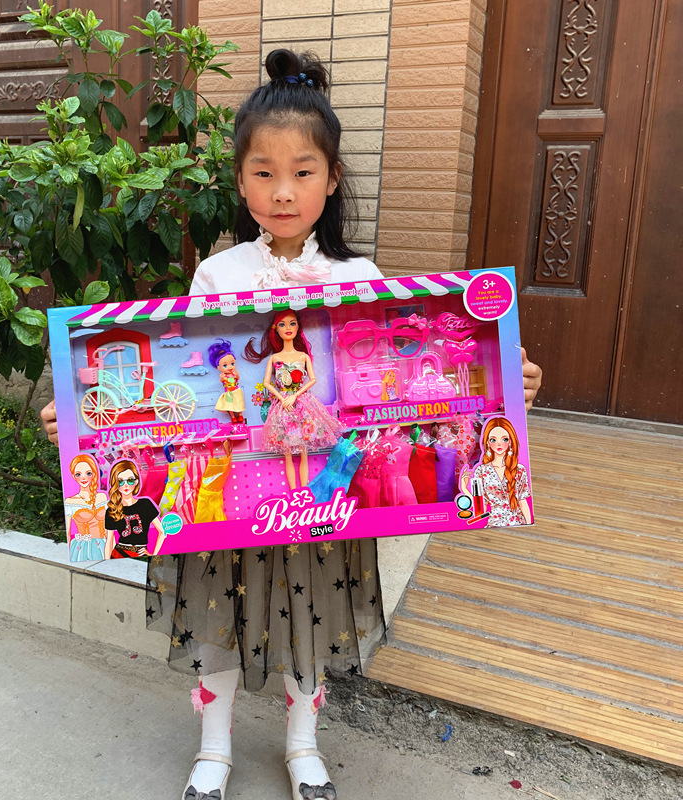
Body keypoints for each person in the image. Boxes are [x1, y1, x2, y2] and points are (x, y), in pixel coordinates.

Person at [39, 48, 544, 800]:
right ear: (240, 181)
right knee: (216, 609)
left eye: (303, 171)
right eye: (264, 173)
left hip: (321, 501)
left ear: (332, 178)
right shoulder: (217, 277)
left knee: (313, 611)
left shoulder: (359, 279)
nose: (283, 191)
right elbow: (185, 381)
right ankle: (214, 750)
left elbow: (414, 377)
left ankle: (303, 745)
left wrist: (509, 385)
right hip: (238, 487)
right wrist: (81, 422)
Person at [244, 309, 344, 488]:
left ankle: (303, 491)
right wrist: (282, 399)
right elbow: (267, 383)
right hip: (284, 405)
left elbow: (312, 379)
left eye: (292, 323)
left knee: (304, 450)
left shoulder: (303, 356)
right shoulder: (275, 358)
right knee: (287, 453)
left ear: (298, 326)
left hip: (302, 404)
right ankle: (293, 493)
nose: (288, 328)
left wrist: (295, 395)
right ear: (276, 329)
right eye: (282, 324)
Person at [463, 416, 532, 526]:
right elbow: (480, 509)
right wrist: (464, 489)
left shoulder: (519, 469)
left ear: (510, 441)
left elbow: (523, 502)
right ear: (487, 442)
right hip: (494, 524)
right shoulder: (481, 471)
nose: (499, 444)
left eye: (504, 439)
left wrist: (529, 524)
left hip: (518, 522)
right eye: (493, 440)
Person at [103, 460, 165, 558]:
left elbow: (162, 532)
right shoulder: (112, 509)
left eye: (130, 480)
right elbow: (109, 540)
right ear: (114, 483)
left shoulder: (145, 504)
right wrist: (106, 563)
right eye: (120, 481)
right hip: (119, 553)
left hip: (141, 554)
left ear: (136, 481)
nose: (126, 485)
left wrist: (153, 555)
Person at [65, 454, 108, 562]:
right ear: (74, 476)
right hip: (82, 548)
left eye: (88, 473)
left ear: (93, 474)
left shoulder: (102, 497)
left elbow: (109, 528)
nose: (83, 478)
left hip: (104, 544)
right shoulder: (70, 502)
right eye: (78, 474)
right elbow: (68, 532)